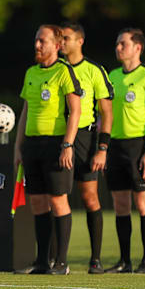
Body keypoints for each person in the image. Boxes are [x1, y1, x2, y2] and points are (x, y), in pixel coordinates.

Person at [14, 24, 82, 275]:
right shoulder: (31, 72)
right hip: (33, 145)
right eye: (36, 40)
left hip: (56, 144)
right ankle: (42, 261)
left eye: (43, 41)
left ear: (57, 45)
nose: (37, 45)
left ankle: (61, 262)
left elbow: (76, 110)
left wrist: (67, 144)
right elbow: (26, 111)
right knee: (38, 203)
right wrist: (19, 147)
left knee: (58, 200)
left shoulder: (64, 72)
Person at [104, 28, 145, 274]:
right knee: (120, 204)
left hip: (139, 146)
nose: (118, 48)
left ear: (137, 48)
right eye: (117, 44)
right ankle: (124, 261)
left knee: (143, 202)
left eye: (123, 44)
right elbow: (103, 115)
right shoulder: (112, 76)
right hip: (115, 147)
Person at [60, 22, 114, 274]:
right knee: (56, 197)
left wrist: (102, 148)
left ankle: (95, 259)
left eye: (67, 38)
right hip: (57, 137)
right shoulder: (54, 69)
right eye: (59, 38)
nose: (62, 42)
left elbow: (107, 112)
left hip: (85, 139)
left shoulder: (93, 70)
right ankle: (56, 258)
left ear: (80, 41)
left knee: (89, 197)